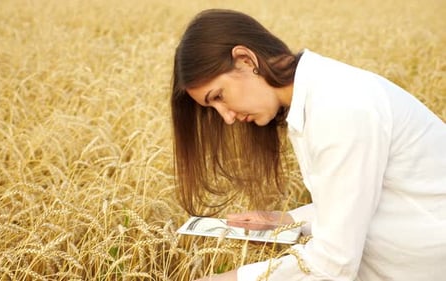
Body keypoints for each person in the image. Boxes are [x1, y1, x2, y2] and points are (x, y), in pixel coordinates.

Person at [170, 9, 446, 281]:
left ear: (245, 59)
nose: (227, 117)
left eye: (219, 96)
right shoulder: (321, 95)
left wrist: (227, 279)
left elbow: (332, 264)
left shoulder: (340, 107)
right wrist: (290, 220)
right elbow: (367, 194)